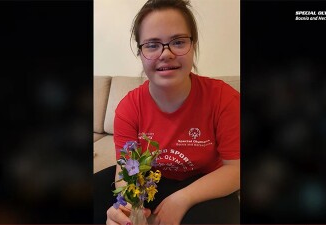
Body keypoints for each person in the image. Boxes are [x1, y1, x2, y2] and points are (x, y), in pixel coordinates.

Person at [94, 0, 240, 224]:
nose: (166, 53)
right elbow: (126, 172)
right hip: (150, 180)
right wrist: (126, 210)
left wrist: (183, 198)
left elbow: (236, 169)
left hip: (205, 180)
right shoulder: (128, 108)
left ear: (193, 45)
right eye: (152, 45)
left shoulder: (225, 99)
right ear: (140, 52)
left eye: (178, 42)